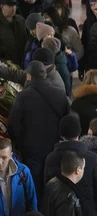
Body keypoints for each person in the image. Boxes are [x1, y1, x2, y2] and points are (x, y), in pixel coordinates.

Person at [7, 60, 69, 197]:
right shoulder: (60, 93)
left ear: (29, 76)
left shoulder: (23, 96)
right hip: (55, 148)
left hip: (32, 151)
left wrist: (21, 144)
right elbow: (67, 119)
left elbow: (13, 125)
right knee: (55, 187)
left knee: (35, 189)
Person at [44, 114, 97, 216]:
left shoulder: (51, 158)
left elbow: (47, 188)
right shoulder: (92, 158)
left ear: (61, 134)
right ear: (79, 133)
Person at [0, 138, 37, 216]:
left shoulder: (23, 172)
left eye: (4, 158)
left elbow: (32, 201)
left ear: (11, 155)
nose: (0, 162)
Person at [0, 0, 26, 67]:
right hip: (7, 67)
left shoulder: (21, 20)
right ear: (2, 6)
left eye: (15, 5)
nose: (13, 8)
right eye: (10, 6)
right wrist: (6, 63)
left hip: (24, 63)